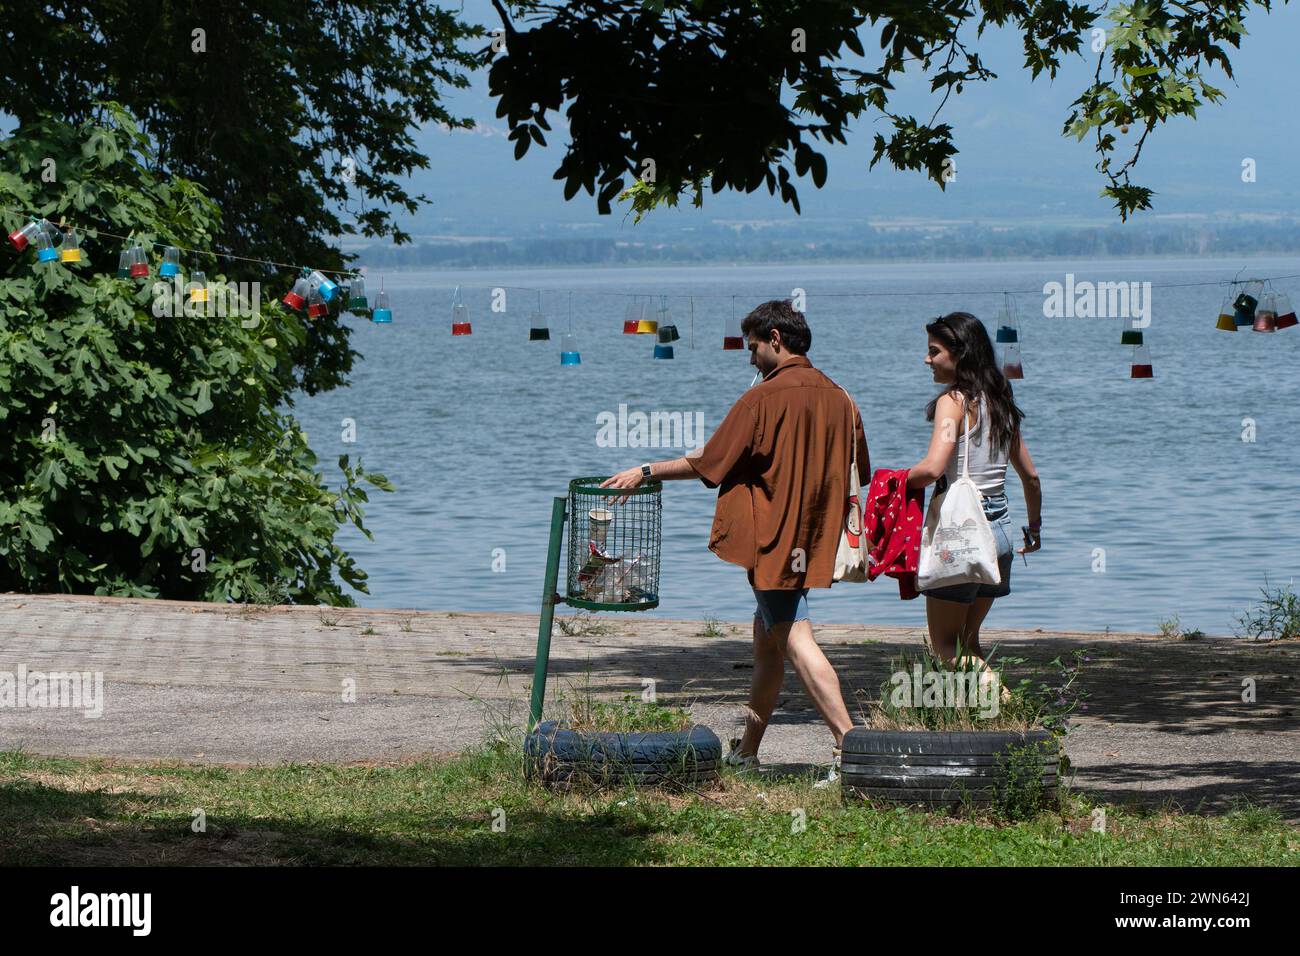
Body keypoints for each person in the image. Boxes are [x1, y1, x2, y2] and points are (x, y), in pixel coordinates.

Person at [602, 299, 869, 774]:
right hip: (814, 539)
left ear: (775, 339)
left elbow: (707, 463)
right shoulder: (842, 397)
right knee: (767, 644)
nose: (749, 358)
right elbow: (858, 470)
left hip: (774, 541)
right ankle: (747, 751)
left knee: (795, 638)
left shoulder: (761, 398)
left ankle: (850, 747)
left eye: (752, 348)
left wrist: (646, 470)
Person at [905, 311, 1042, 674]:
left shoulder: (953, 402)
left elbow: (933, 468)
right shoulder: (1001, 401)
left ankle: (1015, 707)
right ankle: (988, 720)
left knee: (947, 648)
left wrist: (897, 480)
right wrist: (1035, 527)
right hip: (999, 534)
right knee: (969, 642)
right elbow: (1031, 477)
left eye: (934, 351)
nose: (927, 359)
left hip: (961, 534)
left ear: (960, 353)